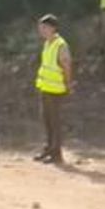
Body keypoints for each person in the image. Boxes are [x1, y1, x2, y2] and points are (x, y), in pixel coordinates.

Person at [34, 14, 72, 164]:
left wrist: (68, 84)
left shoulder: (60, 45)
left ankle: (56, 153)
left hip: (55, 90)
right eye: (40, 27)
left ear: (53, 28)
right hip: (45, 88)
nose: (41, 30)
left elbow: (67, 64)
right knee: (47, 121)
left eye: (44, 27)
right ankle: (49, 149)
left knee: (55, 122)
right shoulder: (48, 43)